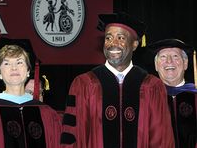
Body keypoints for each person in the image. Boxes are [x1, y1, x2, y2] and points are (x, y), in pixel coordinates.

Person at [60, 12, 175, 148]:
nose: (112, 43)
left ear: (134, 44)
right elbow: (72, 137)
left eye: (120, 38)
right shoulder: (84, 84)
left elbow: (162, 140)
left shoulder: (152, 86)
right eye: (108, 38)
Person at [0, 37, 62, 148]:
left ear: (28, 71)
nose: (14, 68)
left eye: (19, 62)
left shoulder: (47, 113)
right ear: (0, 73)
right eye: (7, 64)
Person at [148, 38, 197, 148]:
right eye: (163, 57)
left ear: (185, 63)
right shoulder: (146, 99)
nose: (169, 61)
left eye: (175, 56)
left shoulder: (195, 95)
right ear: (156, 65)